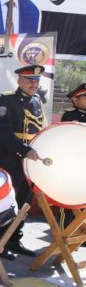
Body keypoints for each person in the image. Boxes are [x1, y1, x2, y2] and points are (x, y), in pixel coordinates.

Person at [0, 64, 45, 259]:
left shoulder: (36, 101)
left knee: (23, 201)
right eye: (30, 80)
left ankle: (14, 239)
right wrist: (25, 150)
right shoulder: (7, 100)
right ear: (19, 81)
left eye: (37, 81)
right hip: (9, 157)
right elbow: (4, 133)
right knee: (6, 202)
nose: (34, 84)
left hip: (29, 160)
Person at [59, 83, 86, 235]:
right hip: (72, 166)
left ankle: (82, 236)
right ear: (75, 100)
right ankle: (66, 234)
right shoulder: (69, 116)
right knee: (70, 202)